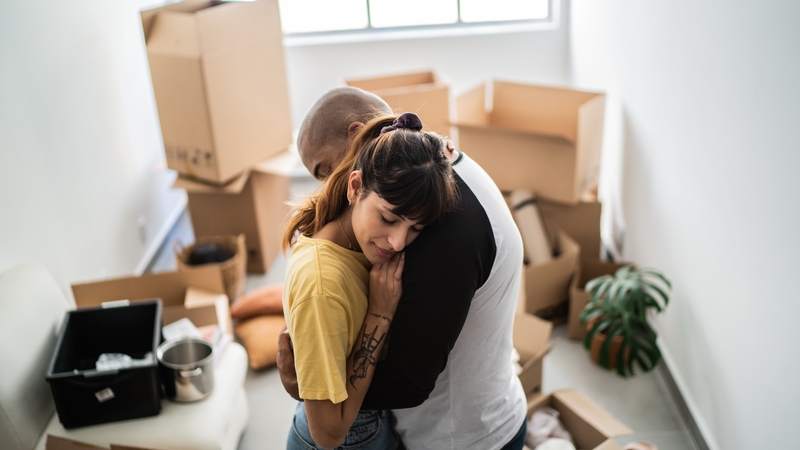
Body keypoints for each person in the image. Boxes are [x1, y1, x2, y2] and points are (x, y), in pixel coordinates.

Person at [278, 86, 529, 450]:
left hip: (465, 437)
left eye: (324, 169)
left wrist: (306, 385)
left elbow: (404, 384)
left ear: (355, 135)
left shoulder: (441, 219)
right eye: (388, 218)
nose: (397, 242)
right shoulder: (433, 165)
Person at [281, 111, 459, 450]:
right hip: (352, 435)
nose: (397, 242)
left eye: (415, 228)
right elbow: (328, 434)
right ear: (356, 186)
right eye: (388, 218)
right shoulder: (322, 286)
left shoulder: (352, 235)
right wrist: (380, 314)